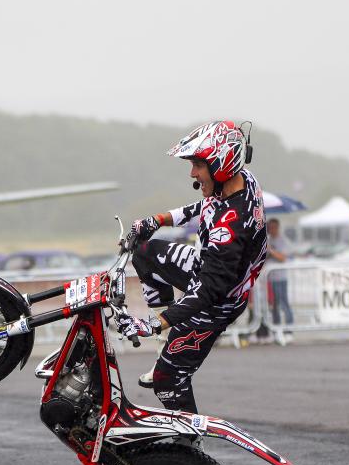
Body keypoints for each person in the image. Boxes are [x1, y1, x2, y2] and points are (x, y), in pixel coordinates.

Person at [116, 120, 267, 415]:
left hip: (217, 302)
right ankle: (164, 343)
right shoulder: (242, 180)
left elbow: (209, 292)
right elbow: (205, 206)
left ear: (222, 164)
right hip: (208, 270)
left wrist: (155, 323)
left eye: (198, 164)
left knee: (166, 382)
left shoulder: (231, 224)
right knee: (145, 254)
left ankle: (190, 447)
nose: (192, 173)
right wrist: (158, 220)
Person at [266, 218, 294, 326]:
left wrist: (271, 250)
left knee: (283, 303)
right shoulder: (267, 240)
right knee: (274, 305)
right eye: (269, 227)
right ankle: (276, 328)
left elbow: (283, 257)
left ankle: (289, 329)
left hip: (280, 278)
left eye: (273, 227)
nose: (271, 229)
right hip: (268, 278)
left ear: (278, 227)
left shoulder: (283, 240)